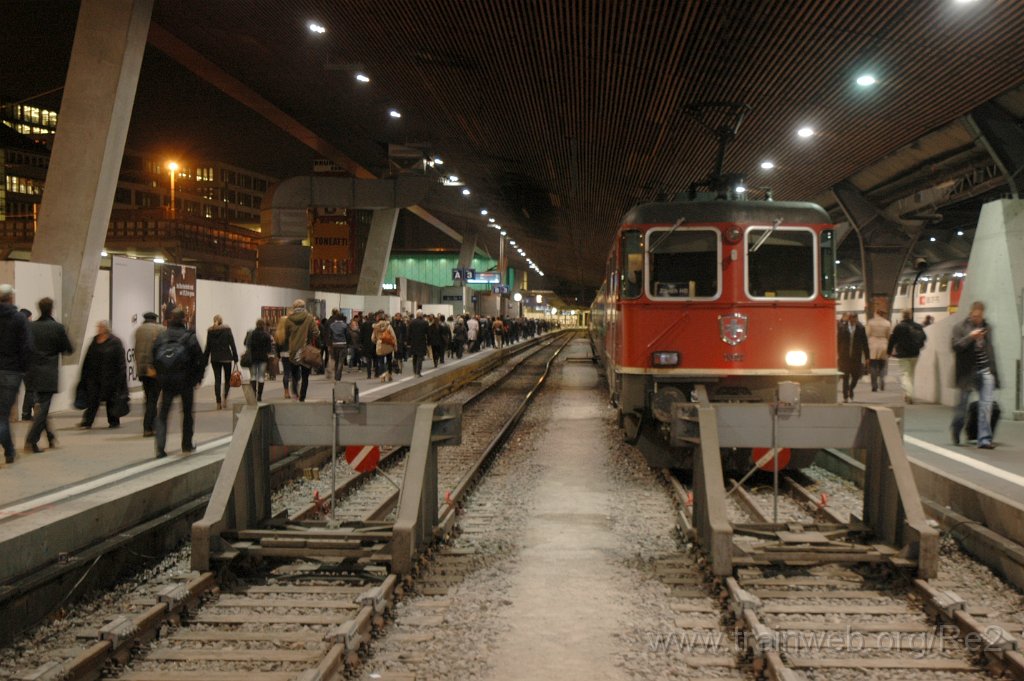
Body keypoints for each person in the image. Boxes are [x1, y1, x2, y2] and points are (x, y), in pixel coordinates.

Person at [153, 307, 205, 458]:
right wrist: (197, 379)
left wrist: (160, 376)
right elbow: (200, 360)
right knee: (187, 413)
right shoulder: (190, 336)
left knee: (163, 414)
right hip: (186, 381)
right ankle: (186, 444)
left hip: (167, 382)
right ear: (184, 320)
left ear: (170, 319)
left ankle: (160, 448)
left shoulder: (162, 336)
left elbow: (154, 356)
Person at [24, 297, 73, 453]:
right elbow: (68, 348)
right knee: (44, 407)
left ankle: (51, 437)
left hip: (32, 372)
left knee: (41, 407)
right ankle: (31, 440)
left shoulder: (31, 327)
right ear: (51, 309)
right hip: (48, 372)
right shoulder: (57, 328)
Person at [951, 301, 998, 449]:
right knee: (962, 407)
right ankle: (956, 429)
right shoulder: (959, 327)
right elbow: (955, 346)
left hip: (985, 370)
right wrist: (970, 337)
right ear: (971, 314)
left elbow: (990, 350)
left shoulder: (987, 328)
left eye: (980, 316)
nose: (977, 319)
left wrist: (992, 370)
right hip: (967, 372)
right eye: (975, 316)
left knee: (986, 406)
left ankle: (984, 439)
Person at [0, 284, 32, 465]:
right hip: (12, 372)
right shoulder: (19, 319)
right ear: (11, 298)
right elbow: (27, 347)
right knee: (3, 415)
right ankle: (10, 451)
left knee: (2, 416)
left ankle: (10, 451)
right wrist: (24, 369)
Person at [78, 320, 129, 429]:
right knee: (93, 399)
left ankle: (113, 421)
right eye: (98, 327)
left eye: (101, 327)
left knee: (111, 399)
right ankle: (88, 421)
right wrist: (84, 374)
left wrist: (121, 376)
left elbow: (121, 361)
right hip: (94, 376)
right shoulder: (94, 341)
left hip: (111, 376)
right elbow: (87, 359)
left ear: (106, 328)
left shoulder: (115, 342)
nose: (99, 329)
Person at [283, 299, 319, 401]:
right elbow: (316, 332)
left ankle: (295, 393)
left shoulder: (289, 319)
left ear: (294, 307)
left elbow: (286, 334)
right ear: (304, 307)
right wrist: (309, 336)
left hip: (293, 350)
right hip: (305, 350)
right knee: (305, 376)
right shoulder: (309, 318)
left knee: (294, 375)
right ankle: (302, 397)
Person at [134, 311, 163, 436]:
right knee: (153, 399)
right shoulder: (161, 329)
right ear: (155, 319)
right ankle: (147, 427)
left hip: (142, 370)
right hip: (155, 370)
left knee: (148, 398)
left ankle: (152, 426)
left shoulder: (138, 330)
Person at [888, 310, 926, 404]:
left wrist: (889, 351)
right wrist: (919, 347)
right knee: (911, 375)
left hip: (903, 354)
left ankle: (909, 394)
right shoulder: (918, 326)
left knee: (905, 374)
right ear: (910, 315)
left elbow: (892, 340)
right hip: (915, 354)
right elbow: (924, 338)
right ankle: (908, 394)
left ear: (902, 316)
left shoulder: (899, 327)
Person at [203, 314, 239, 409]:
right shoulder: (227, 330)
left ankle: (218, 402)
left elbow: (208, 347)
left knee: (217, 380)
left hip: (215, 359)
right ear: (221, 321)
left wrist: (205, 359)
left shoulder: (210, 331)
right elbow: (232, 344)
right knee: (227, 380)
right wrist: (235, 357)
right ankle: (225, 399)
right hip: (227, 358)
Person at [837, 312, 869, 402]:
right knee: (845, 377)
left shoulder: (861, 328)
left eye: (855, 318)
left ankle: (851, 389)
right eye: (852, 318)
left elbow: (865, 343)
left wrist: (867, 357)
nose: (853, 320)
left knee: (855, 376)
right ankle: (845, 396)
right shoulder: (842, 328)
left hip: (856, 357)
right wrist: (837, 353)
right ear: (849, 319)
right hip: (844, 356)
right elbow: (838, 342)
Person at [244, 318, 273, 401]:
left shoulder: (251, 334)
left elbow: (246, 344)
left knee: (253, 376)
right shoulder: (267, 335)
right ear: (263, 325)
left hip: (253, 358)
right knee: (261, 377)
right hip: (263, 358)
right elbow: (269, 349)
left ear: (256, 324)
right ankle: (259, 396)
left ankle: (253, 394)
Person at [865, 308, 891, 392]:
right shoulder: (887, 323)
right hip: (884, 344)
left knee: (873, 365)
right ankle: (882, 380)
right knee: (882, 364)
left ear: (876, 313)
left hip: (873, 344)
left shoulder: (870, 322)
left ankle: (874, 385)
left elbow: (867, 334)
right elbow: (888, 335)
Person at [19, 308, 34, 421]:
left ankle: (26, 413)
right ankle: (26, 413)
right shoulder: (29, 329)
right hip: (29, 364)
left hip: (16, 365)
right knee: (31, 389)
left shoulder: (14, 328)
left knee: (29, 389)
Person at [372, 312, 397, 382]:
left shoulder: (376, 327)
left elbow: (372, 338)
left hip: (380, 345)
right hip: (388, 344)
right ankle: (390, 375)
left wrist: (376, 341)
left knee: (381, 361)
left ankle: (382, 376)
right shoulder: (388, 325)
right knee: (389, 361)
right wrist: (395, 346)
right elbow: (393, 336)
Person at [326, 310, 350, 380]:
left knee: (336, 361)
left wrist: (330, 344)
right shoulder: (345, 325)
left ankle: (336, 374)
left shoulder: (332, 325)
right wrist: (347, 344)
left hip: (334, 345)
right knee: (341, 361)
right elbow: (348, 335)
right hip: (343, 344)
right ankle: (338, 376)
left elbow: (329, 336)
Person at [408, 310, 429, 377]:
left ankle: (414, 371)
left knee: (414, 357)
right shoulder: (425, 322)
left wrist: (408, 342)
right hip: (422, 342)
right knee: (420, 357)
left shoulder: (412, 322)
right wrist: (428, 341)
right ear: (422, 315)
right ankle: (418, 372)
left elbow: (408, 332)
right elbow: (427, 333)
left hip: (413, 342)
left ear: (416, 315)